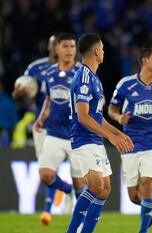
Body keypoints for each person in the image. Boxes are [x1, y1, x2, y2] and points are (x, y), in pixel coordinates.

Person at [66, 33, 134, 233]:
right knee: (96, 187)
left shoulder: (95, 79)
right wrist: (111, 136)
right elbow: (83, 117)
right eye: (102, 49)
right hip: (83, 138)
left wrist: (118, 133)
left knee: (104, 189)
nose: (103, 52)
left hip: (95, 139)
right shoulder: (84, 78)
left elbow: (98, 117)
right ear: (96, 51)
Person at [108, 44, 152, 233]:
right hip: (130, 144)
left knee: (147, 183)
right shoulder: (126, 84)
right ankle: (151, 205)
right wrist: (119, 118)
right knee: (134, 196)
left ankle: (142, 231)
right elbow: (112, 109)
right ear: (145, 61)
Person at [33, 33, 86, 224]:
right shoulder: (49, 74)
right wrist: (40, 118)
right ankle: (66, 189)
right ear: (57, 49)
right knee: (45, 175)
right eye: (66, 46)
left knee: (81, 185)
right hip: (54, 134)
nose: (70, 50)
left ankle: (79, 225)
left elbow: (97, 99)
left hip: (76, 136)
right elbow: (49, 98)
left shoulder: (83, 74)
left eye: (73, 47)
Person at [12, 34, 59, 225]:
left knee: (77, 171)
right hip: (44, 126)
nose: (57, 48)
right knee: (47, 171)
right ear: (49, 47)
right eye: (54, 44)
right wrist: (18, 94)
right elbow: (20, 96)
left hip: (70, 127)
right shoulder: (35, 68)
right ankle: (56, 203)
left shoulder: (77, 70)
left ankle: (54, 209)